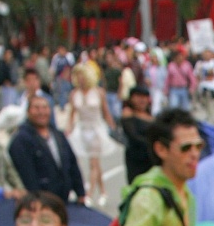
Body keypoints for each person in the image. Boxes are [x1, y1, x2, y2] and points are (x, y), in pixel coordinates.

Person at [117, 109, 200, 226]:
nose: (194, 154)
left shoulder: (184, 192)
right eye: (186, 148)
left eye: (198, 146)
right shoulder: (150, 198)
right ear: (161, 150)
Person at [9, 95, 88, 204]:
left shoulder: (58, 135)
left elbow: (72, 164)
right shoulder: (21, 140)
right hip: (40, 200)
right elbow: (26, 173)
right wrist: (36, 199)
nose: (41, 112)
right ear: (28, 111)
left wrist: (80, 193)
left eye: (45, 108)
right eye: (36, 108)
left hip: (63, 198)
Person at [67, 65, 118, 207]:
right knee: (80, 161)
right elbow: (72, 114)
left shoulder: (99, 92)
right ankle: (103, 191)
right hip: (81, 129)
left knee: (93, 163)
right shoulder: (74, 94)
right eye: (78, 76)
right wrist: (68, 129)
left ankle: (89, 194)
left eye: (83, 76)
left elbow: (106, 112)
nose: (80, 79)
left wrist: (113, 127)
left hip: (95, 128)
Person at [121, 87, 155, 183]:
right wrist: (151, 144)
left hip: (151, 156)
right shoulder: (128, 113)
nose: (142, 100)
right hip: (136, 156)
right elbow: (132, 135)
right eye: (138, 97)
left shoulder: (150, 116)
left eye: (144, 97)